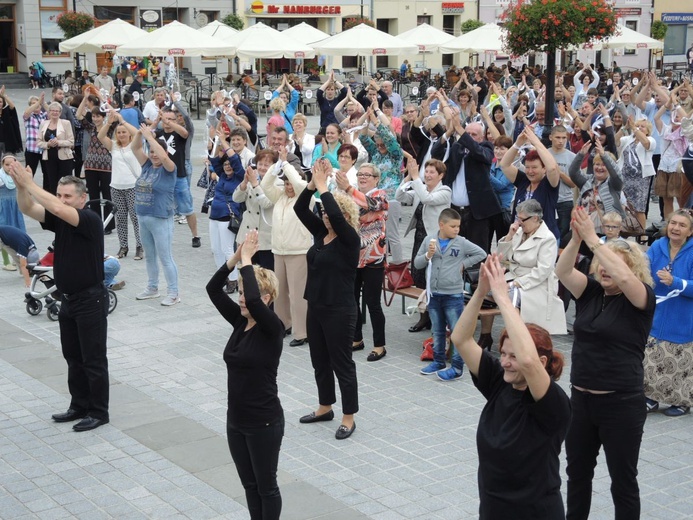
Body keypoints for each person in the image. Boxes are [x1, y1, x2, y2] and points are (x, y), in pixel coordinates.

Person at [450, 254, 571, 519]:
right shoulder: (498, 382)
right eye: (503, 353)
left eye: (512, 356)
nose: (504, 362)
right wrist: (482, 291)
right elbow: (460, 338)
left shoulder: (553, 403)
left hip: (535, 512)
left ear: (541, 362)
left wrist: (503, 297)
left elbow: (528, 361)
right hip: (494, 509)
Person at [555, 206, 656, 520]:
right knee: (577, 476)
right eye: (602, 265)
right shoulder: (591, 292)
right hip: (582, 401)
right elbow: (562, 272)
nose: (606, 270)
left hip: (621, 405)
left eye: (614, 265)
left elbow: (625, 277)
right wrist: (576, 239)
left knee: (623, 481)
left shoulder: (640, 298)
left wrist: (596, 241)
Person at [9, 168, 109, 432]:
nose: (62, 200)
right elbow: (29, 208)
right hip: (68, 300)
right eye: (60, 195)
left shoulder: (88, 219)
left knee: (93, 359)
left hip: (91, 300)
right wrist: (21, 186)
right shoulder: (61, 219)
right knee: (73, 357)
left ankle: (99, 411)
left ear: (82, 199)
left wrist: (31, 182)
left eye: (68, 196)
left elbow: (55, 207)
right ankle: (79, 405)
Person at [206, 229, 285, 520]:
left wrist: (249, 260)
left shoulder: (271, 328)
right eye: (239, 292)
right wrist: (236, 258)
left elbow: (253, 301)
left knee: (266, 487)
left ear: (267, 298)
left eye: (246, 293)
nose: (242, 299)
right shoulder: (240, 323)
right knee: (249, 485)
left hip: (263, 421)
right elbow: (213, 290)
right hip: (236, 420)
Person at [294, 158, 360, 440]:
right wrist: (311, 185)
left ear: (344, 218)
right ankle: (325, 407)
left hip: (339, 309)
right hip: (316, 306)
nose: (324, 216)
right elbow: (300, 208)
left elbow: (332, 208)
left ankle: (349, 417)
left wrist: (324, 187)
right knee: (319, 360)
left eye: (329, 214)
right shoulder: (322, 234)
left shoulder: (350, 240)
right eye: (322, 214)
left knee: (341, 363)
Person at [415, 208, 486, 380]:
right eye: (453, 226)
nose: (457, 229)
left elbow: (481, 253)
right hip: (434, 294)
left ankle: (457, 367)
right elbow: (417, 264)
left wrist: (463, 264)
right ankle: (438, 360)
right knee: (437, 330)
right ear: (442, 225)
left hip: (453, 294)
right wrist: (427, 255)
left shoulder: (461, 242)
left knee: (457, 332)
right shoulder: (429, 240)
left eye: (458, 226)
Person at [336, 162, 389, 360]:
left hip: (373, 256)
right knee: (351, 299)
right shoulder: (351, 194)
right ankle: (356, 338)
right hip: (352, 255)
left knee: (373, 302)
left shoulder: (381, 194)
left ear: (376, 179)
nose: (363, 177)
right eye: (360, 174)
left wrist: (349, 189)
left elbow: (371, 206)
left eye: (368, 174)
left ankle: (379, 345)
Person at [644, 209, 693, 417]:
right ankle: (650, 397)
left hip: (683, 316)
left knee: (680, 361)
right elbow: (642, 269)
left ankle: (681, 401)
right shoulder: (657, 246)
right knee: (651, 358)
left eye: (682, 225)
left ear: (690, 232)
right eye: (673, 223)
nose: (676, 228)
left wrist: (677, 282)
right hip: (656, 313)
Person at [261, 148, 312, 346]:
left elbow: (301, 185)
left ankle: (302, 332)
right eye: (287, 183)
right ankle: (284, 325)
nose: (289, 187)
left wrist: (288, 165)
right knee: (279, 292)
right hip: (279, 251)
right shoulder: (280, 197)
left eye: (291, 183)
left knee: (298, 295)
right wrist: (278, 165)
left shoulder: (305, 197)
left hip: (298, 252)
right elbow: (265, 184)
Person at [496, 200, 567, 335]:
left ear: (535, 218)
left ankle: (516, 335)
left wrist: (516, 283)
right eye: (518, 218)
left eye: (522, 219)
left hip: (536, 283)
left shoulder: (547, 238)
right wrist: (509, 236)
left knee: (511, 296)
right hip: (513, 276)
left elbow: (543, 271)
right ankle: (486, 334)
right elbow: (501, 258)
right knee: (485, 288)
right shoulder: (518, 231)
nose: (519, 222)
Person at [396, 158, 452, 332]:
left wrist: (416, 177)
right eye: (425, 171)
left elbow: (428, 199)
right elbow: (399, 196)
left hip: (435, 240)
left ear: (440, 175)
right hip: (419, 239)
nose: (427, 175)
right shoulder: (421, 189)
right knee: (419, 276)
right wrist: (408, 178)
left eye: (431, 172)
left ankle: (437, 317)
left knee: (433, 278)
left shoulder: (445, 191)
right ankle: (423, 316)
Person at [132, 124, 180, 306]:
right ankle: (152, 288)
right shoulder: (147, 166)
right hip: (143, 216)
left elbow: (164, 157)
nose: (153, 155)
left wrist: (150, 138)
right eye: (151, 151)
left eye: (156, 152)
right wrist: (139, 133)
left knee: (165, 257)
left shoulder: (169, 168)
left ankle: (174, 292)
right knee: (150, 256)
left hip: (161, 218)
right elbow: (135, 147)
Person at [500, 128, 561, 240]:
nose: (530, 171)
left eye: (534, 167)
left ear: (544, 169)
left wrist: (536, 142)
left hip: (543, 240)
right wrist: (518, 143)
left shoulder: (549, 184)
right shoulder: (524, 181)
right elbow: (504, 165)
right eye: (527, 167)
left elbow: (552, 168)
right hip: (520, 237)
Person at [98, 112, 143, 260]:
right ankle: (123, 246)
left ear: (129, 134)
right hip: (116, 186)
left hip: (132, 186)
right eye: (119, 132)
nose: (122, 134)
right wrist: (109, 123)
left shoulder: (134, 145)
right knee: (121, 218)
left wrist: (122, 121)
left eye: (124, 132)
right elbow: (100, 136)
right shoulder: (113, 146)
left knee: (136, 218)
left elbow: (138, 132)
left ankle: (140, 246)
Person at [234, 149, 277, 270]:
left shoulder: (278, 183)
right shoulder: (253, 179)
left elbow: (266, 203)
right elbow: (236, 198)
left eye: (266, 165)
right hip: (248, 234)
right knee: (247, 273)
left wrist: (254, 184)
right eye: (260, 164)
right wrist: (244, 183)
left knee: (267, 276)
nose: (262, 168)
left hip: (266, 238)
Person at [617, 117, 656, 232]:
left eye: (642, 126)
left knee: (639, 208)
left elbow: (646, 143)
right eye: (637, 126)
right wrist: (624, 128)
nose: (639, 128)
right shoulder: (628, 139)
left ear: (648, 130)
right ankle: (621, 231)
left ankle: (642, 234)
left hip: (641, 179)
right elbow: (615, 141)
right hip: (624, 177)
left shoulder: (651, 139)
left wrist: (634, 127)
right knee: (622, 205)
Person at [37, 102, 75, 195]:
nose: (55, 113)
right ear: (49, 112)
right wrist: (48, 144)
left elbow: (71, 141)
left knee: (65, 183)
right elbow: (38, 142)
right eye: (53, 111)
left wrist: (58, 142)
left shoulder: (66, 123)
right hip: (49, 157)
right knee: (52, 183)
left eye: (57, 111)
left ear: (60, 112)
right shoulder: (43, 124)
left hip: (64, 158)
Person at [22, 94, 47, 183]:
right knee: (29, 173)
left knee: (47, 173)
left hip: (44, 148)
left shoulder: (44, 115)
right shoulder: (28, 116)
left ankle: (45, 194)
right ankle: (27, 193)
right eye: (33, 103)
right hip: (32, 149)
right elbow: (26, 113)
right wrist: (37, 102)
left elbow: (51, 112)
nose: (36, 105)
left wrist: (43, 102)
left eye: (38, 104)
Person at [0, 86, 23, 155]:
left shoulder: (6, 111)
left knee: (8, 160)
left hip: (8, 142)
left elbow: (12, 106)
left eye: (0, 102)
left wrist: (4, 96)